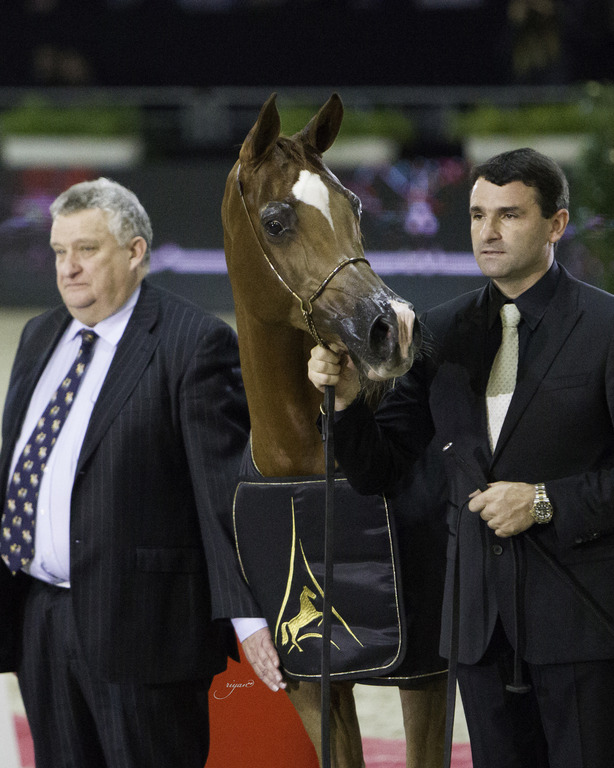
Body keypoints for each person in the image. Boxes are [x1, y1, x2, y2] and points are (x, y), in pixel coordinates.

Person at [308, 147, 614, 767]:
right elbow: (381, 469)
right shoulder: (440, 333)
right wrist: (344, 404)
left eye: (509, 215)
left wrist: (545, 501)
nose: (488, 232)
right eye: (477, 215)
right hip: (478, 633)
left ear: (556, 225)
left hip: (587, 628)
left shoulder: (606, 327)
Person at [0, 177, 252, 768]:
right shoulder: (39, 335)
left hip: (145, 626)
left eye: (87, 250)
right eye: (60, 252)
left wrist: (246, 614)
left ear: (135, 252)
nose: (69, 269)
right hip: (40, 617)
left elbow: (223, 491)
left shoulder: (195, 342)